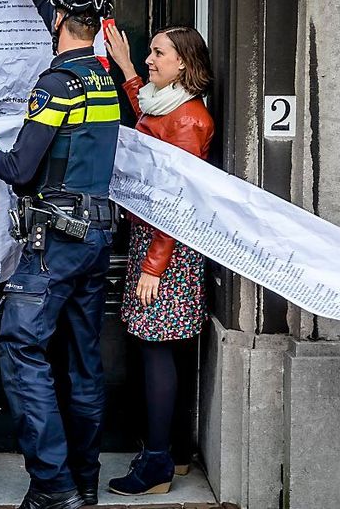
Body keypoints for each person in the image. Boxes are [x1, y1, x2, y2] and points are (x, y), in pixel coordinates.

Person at [0, 0, 118, 509]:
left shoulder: (55, 85)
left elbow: (22, 168)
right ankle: (85, 483)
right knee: (83, 360)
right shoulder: (104, 77)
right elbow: (69, 33)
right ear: (97, 23)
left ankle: (53, 486)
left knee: (21, 345)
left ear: (59, 19)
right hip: (98, 234)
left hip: (54, 242)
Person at [102, 24, 214, 495]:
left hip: (166, 248)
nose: (150, 60)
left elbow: (174, 195)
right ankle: (178, 454)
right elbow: (148, 113)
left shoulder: (189, 120)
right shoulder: (167, 105)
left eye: (158, 53)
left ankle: (156, 465)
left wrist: (152, 266)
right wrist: (127, 68)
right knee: (166, 347)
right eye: (149, 53)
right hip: (159, 242)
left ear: (183, 63)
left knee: (155, 347)